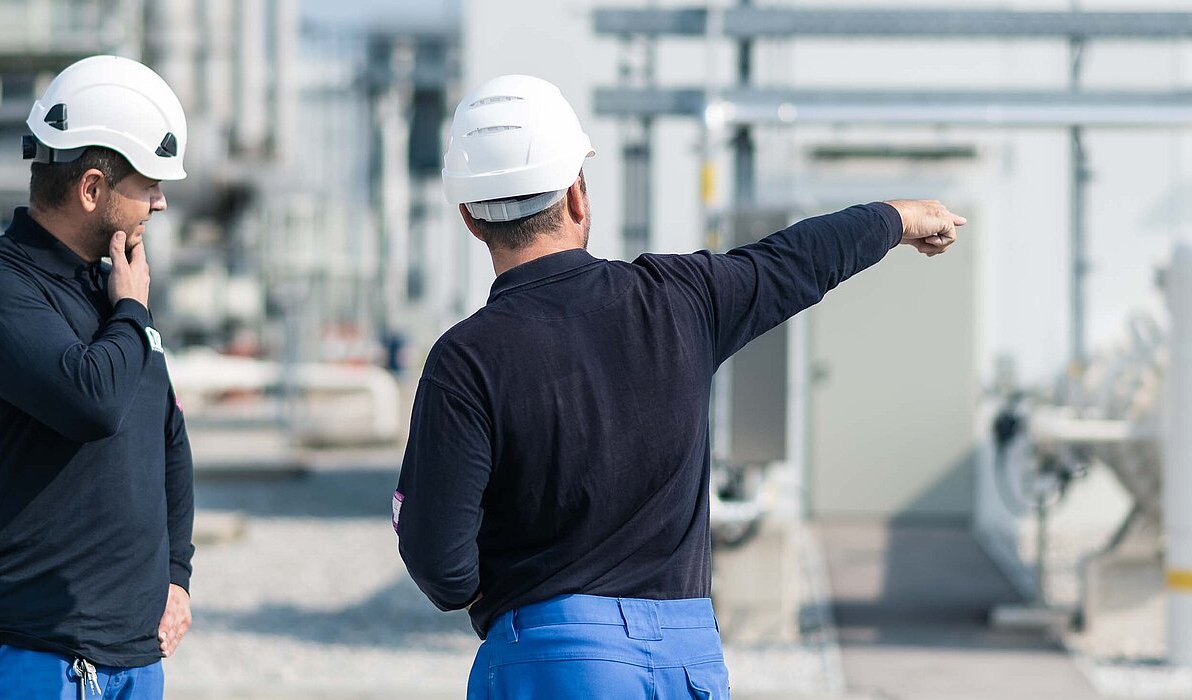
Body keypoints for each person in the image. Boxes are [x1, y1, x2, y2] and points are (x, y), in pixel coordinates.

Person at [394, 74, 964, 700]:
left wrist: (517, 601)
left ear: (471, 219)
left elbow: (438, 558)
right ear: (578, 197)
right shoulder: (681, 300)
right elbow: (795, 260)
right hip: (686, 659)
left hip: (553, 659)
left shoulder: (465, 361)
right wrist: (898, 217)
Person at [0, 55, 195, 700]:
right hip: (31, 657)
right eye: (149, 183)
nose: (160, 201)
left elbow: (166, 439)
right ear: (92, 188)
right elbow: (89, 400)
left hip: (133, 660)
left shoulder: (112, 290)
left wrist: (177, 576)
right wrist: (132, 312)